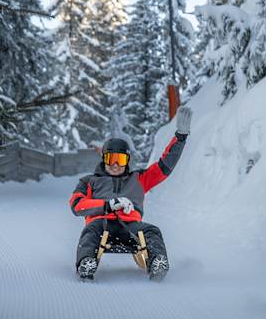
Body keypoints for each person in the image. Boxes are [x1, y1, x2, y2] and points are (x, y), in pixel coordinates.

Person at [69, 107, 193, 281]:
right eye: (110, 159)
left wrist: (180, 138)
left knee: (152, 231)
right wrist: (106, 206)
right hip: (101, 224)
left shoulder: (139, 179)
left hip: (131, 227)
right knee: (90, 231)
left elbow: (165, 166)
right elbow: (77, 205)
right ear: (104, 160)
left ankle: (157, 262)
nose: (115, 165)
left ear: (127, 161)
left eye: (120, 159)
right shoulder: (89, 181)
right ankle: (86, 263)